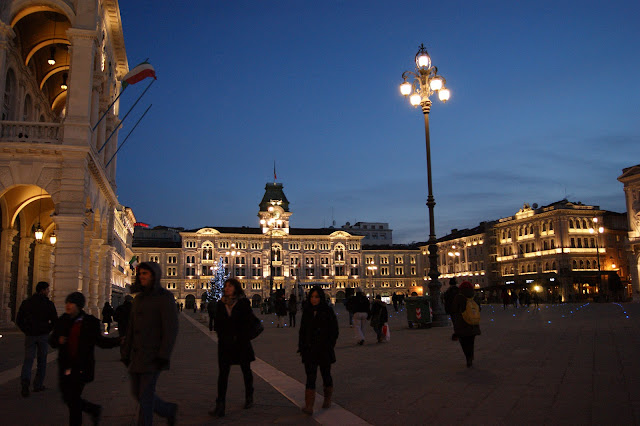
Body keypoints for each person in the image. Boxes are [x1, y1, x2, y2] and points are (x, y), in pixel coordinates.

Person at [49, 292, 121, 426]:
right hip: (65, 366)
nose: (68, 306)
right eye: (67, 303)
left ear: (79, 306)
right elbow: (52, 340)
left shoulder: (90, 322)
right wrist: (58, 340)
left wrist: (119, 341)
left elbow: (100, 342)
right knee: (68, 398)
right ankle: (93, 409)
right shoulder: (63, 320)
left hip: (81, 367)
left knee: (73, 400)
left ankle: (84, 417)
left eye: (71, 303)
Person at [121, 262, 178, 425]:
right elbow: (131, 328)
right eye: (140, 274)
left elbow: (171, 329)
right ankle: (168, 410)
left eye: (145, 273)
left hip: (153, 355)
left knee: (145, 398)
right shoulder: (138, 298)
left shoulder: (164, 298)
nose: (142, 276)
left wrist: (163, 355)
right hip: (136, 355)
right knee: (137, 393)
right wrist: (125, 352)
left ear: (154, 275)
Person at [209, 278, 256, 418]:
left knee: (246, 371)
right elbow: (217, 323)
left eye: (230, 286)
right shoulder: (220, 304)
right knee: (223, 375)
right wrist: (223, 334)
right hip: (225, 344)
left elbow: (248, 322)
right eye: (226, 286)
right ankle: (220, 405)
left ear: (236, 288)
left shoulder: (243, 303)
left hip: (241, 343)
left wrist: (241, 334)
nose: (227, 288)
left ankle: (249, 396)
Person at [298, 286, 339, 415]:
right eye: (312, 297)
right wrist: (302, 346)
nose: (314, 299)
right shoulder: (307, 311)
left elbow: (334, 331)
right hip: (309, 350)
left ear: (321, 298)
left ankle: (327, 398)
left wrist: (329, 345)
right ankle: (309, 405)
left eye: (316, 297)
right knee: (310, 377)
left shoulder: (327, 311)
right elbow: (302, 331)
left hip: (324, 349)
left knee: (326, 374)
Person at [16, 281, 58, 397]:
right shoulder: (48, 304)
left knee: (28, 360)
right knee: (42, 360)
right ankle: (38, 385)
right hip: (42, 335)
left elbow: (19, 319)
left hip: (30, 335)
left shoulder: (27, 303)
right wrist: (47, 329)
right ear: (43, 290)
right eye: (47, 290)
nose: (48, 292)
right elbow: (54, 320)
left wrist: (26, 330)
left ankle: (25, 381)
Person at [450, 281, 481, 368]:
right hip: (473, 323)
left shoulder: (459, 297)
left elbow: (454, 309)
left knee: (464, 342)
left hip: (462, 324)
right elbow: (479, 308)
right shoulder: (475, 296)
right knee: (471, 342)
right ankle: (471, 356)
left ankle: (468, 357)